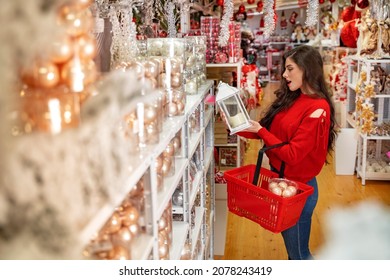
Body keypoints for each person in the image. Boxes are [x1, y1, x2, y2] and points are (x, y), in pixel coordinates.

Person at [235, 45, 338, 260]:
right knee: (295, 254)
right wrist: (236, 127)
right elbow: (270, 133)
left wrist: (261, 131)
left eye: (290, 68)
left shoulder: (318, 108)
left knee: (299, 255)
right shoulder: (294, 97)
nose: (284, 74)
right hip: (283, 183)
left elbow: (292, 153)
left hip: (298, 190)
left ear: (306, 69)